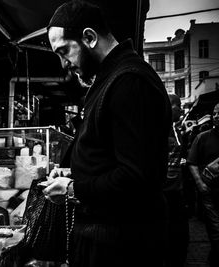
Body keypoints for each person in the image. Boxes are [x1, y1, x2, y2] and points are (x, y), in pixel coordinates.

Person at [42, 1, 172, 266]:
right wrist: (75, 172)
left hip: (122, 246)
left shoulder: (129, 82)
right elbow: (112, 155)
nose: (63, 64)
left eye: (64, 51)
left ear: (89, 37)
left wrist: (72, 188)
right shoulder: (111, 78)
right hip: (107, 240)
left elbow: (137, 178)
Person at [188, 103, 219, 267]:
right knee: (216, 233)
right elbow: (191, 162)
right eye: (215, 113)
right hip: (210, 194)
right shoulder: (202, 137)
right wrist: (200, 183)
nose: (217, 116)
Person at [163, 94, 189, 267]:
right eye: (178, 105)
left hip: (176, 190)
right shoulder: (158, 129)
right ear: (170, 106)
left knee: (180, 235)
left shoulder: (176, 129)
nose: (181, 108)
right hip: (163, 192)